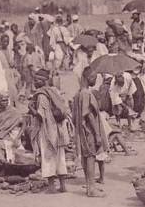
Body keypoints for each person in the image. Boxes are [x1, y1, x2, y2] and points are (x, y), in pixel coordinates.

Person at [28, 68, 70, 194]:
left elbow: (42, 116)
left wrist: (31, 109)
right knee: (60, 157)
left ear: (42, 81)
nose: (34, 83)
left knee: (48, 157)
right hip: (59, 129)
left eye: (36, 80)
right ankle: (63, 186)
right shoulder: (54, 91)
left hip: (47, 130)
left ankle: (51, 187)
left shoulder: (41, 95)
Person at [72, 67, 107, 197]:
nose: (95, 80)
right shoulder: (86, 94)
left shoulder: (79, 93)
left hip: (82, 130)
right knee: (91, 157)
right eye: (93, 77)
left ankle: (89, 186)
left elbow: (75, 115)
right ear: (87, 78)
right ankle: (91, 189)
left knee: (86, 157)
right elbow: (88, 115)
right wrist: (97, 134)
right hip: (89, 130)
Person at [0, 92, 26, 168]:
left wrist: (17, 137)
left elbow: (24, 124)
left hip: (11, 137)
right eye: (3, 101)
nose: (5, 102)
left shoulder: (13, 111)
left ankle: (4, 164)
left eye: (7, 100)